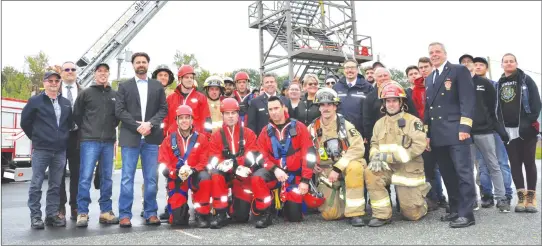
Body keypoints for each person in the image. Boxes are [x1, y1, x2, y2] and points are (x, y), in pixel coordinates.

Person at [425, 42, 476, 228]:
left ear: (445, 54)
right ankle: (455, 209)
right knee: (448, 174)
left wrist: (465, 128)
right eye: (431, 52)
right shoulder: (429, 78)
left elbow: (467, 100)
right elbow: (428, 109)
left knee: (463, 173)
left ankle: (467, 213)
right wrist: (427, 134)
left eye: (437, 51)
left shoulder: (458, 71)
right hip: (438, 134)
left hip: (456, 131)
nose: (434, 55)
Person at [365, 82, 430, 227]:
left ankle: (423, 201)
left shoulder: (413, 122)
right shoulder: (379, 123)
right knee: (370, 172)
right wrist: (374, 157)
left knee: (412, 215)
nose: (391, 104)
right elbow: (374, 144)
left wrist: (387, 157)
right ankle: (382, 215)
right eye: (388, 101)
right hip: (387, 167)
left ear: (401, 102)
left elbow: (418, 146)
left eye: (395, 100)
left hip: (408, 168)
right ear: (383, 103)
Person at [115, 52, 168, 227]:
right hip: (131, 136)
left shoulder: (157, 86)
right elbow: (120, 111)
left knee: (151, 178)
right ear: (133, 65)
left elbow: (163, 109)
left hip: (151, 138)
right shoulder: (124, 86)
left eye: (143, 62)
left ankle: (150, 212)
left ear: (148, 64)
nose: (141, 64)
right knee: (127, 178)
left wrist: (150, 124)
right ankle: (124, 215)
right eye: (137, 62)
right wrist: (138, 126)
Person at [251, 96, 316, 228]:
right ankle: (266, 212)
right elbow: (261, 156)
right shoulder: (265, 131)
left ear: (283, 108)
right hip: (274, 173)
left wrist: (305, 180)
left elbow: (309, 155)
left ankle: (284, 205)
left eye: (276, 108)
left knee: (294, 218)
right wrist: (274, 169)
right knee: (257, 177)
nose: (274, 112)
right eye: (270, 109)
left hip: (294, 176)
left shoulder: (299, 127)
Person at [21, 71, 73, 229]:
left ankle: (51, 215)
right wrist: (37, 138)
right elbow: (25, 123)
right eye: (50, 81)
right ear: (44, 83)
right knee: (36, 184)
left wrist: (62, 139)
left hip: (60, 150)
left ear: (60, 83)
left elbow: (68, 124)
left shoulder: (65, 103)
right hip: (42, 150)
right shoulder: (35, 101)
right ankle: (35, 217)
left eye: (56, 81)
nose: (53, 83)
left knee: (55, 185)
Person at [308, 88, 366, 226]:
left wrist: (338, 168)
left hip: (345, 166)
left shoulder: (345, 125)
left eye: (329, 104)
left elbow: (358, 148)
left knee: (355, 167)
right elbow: (305, 149)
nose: (326, 108)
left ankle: (355, 213)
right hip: (325, 171)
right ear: (319, 107)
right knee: (330, 215)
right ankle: (343, 203)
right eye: (322, 105)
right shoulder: (311, 128)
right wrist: (312, 164)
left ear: (335, 106)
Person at [73, 63, 120, 227]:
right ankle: (82, 213)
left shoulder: (115, 94)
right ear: (94, 74)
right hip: (89, 141)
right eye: (100, 71)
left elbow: (118, 117)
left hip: (108, 142)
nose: (103, 74)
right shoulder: (86, 93)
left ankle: (106, 212)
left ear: (109, 73)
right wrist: (88, 129)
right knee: (85, 177)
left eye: (106, 71)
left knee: (107, 178)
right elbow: (77, 115)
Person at [496, 53, 541, 213]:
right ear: (501, 65)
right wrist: (500, 127)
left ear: (516, 63)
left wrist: (529, 122)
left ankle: (531, 198)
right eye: (505, 61)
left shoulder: (525, 80)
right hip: (509, 131)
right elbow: (496, 108)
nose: (508, 64)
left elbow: (536, 102)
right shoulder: (499, 84)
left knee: (529, 162)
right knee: (515, 163)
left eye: (511, 61)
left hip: (526, 129)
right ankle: (521, 198)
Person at [208, 98, 259, 229]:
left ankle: (234, 207)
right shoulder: (216, 136)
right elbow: (213, 157)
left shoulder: (249, 134)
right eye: (227, 113)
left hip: (242, 175)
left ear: (238, 114)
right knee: (215, 174)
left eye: (233, 113)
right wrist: (223, 164)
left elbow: (252, 154)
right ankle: (220, 213)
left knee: (241, 218)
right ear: (222, 115)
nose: (230, 116)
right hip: (224, 174)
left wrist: (236, 164)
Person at [158, 105, 212, 227]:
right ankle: (182, 210)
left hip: (195, 176)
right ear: (176, 121)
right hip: (177, 178)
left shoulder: (201, 139)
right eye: (181, 118)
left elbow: (204, 161)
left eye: (187, 118)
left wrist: (193, 170)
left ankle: (201, 213)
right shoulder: (168, 140)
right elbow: (163, 164)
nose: (184, 121)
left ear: (192, 120)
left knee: (205, 178)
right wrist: (175, 173)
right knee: (178, 221)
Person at [472, 56, 514, 207]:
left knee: (501, 163)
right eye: (474, 64)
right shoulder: (468, 85)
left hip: (494, 129)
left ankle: (506, 195)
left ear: (486, 68)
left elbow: (500, 109)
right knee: (482, 164)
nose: (477, 67)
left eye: (480, 65)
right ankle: (487, 195)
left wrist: (501, 128)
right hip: (479, 131)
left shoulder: (494, 85)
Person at [417, 57, 448, 209]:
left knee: (444, 166)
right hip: (423, 130)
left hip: (441, 129)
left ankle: (443, 196)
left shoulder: (438, 83)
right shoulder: (414, 89)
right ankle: (433, 197)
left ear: (431, 67)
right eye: (420, 68)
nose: (423, 70)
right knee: (428, 167)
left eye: (425, 67)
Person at [58, 61, 82, 221]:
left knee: (77, 173)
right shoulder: (53, 90)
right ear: (61, 72)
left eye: (73, 69)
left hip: (78, 137)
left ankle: (75, 206)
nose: (70, 72)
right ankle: (60, 208)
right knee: (58, 173)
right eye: (66, 69)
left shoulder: (84, 92)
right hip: (59, 137)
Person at [163, 65, 211, 136]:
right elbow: (165, 120)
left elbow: (207, 120)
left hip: (195, 139)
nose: (190, 80)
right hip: (174, 140)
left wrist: (206, 138)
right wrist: (165, 136)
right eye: (186, 77)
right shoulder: (170, 99)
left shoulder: (201, 98)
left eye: (191, 77)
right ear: (180, 79)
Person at [333, 59, 374, 136]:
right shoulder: (336, 87)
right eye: (347, 68)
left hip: (360, 133)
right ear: (344, 70)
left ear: (357, 70)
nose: (350, 70)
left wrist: (367, 133)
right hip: (340, 131)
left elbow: (370, 112)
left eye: (352, 67)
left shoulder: (368, 87)